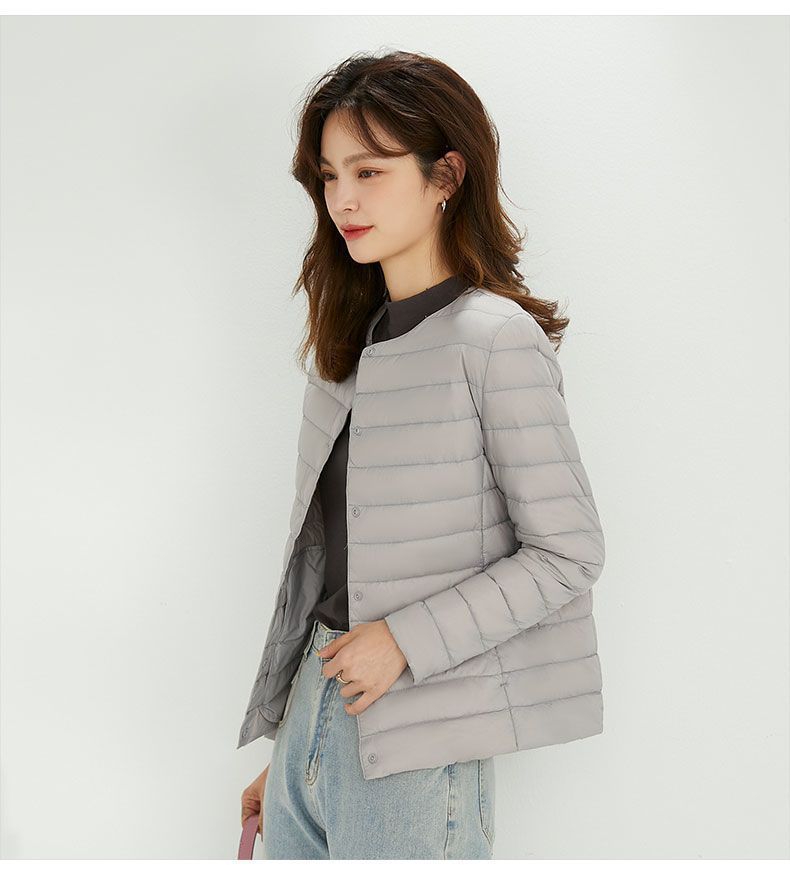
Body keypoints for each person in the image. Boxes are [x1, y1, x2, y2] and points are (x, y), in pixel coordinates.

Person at [239, 49, 606, 860]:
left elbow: (568, 552)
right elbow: (330, 568)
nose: (342, 199)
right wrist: (295, 746)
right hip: (313, 720)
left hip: (415, 738)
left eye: (369, 171)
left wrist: (405, 638)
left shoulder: (495, 339)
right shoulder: (348, 346)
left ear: (446, 176)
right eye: (329, 176)